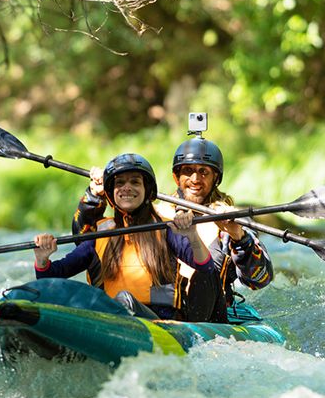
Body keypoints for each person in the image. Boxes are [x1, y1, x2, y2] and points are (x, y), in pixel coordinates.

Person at [72, 135, 274, 323]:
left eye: (203, 172)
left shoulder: (228, 221)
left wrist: (239, 237)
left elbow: (259, 280)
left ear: (216, 179)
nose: (195, 179)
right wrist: (94, 197)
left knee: (207, 269)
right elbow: (85, 239)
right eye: (188, 171)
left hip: (206, 313)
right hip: (159, 310)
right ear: (176, 177)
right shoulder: (155, 215)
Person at [33, 153, 214, 320]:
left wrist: (192, 235)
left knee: (125, 300)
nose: (126, 188)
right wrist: (42, 259)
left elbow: (205, 266)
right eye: (120, 183)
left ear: (147, 191)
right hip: (110, 320)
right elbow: (51, 277)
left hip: (162, 323)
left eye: (135, 182)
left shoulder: (166, 228)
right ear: (111, 194)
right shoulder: (100, 234)